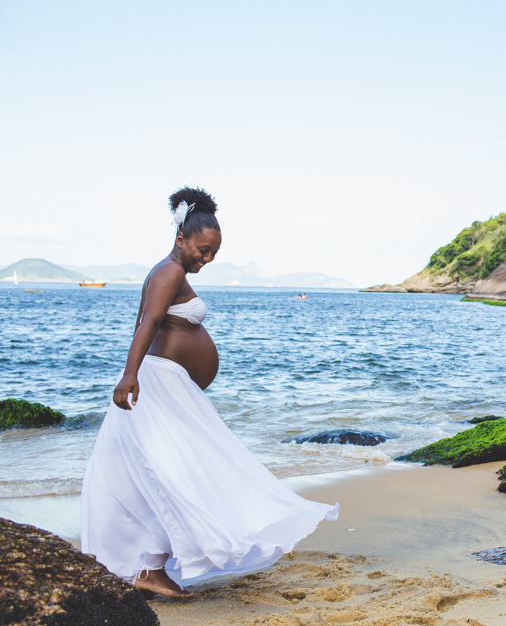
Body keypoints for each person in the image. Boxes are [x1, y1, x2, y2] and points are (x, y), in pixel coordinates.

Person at [80, 188, 338, 600]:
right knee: (174, 470)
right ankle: (149, 567)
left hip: (167, 385)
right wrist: (129, 375)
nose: (208, 258)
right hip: (158, 385)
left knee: (170, 469)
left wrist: (137, 372)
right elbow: (147, 323)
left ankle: (150, 565)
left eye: (215, 252)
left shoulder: (171, 272)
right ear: (181, 237)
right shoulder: (169, 272)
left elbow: (152, 323)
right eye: (203, 250)